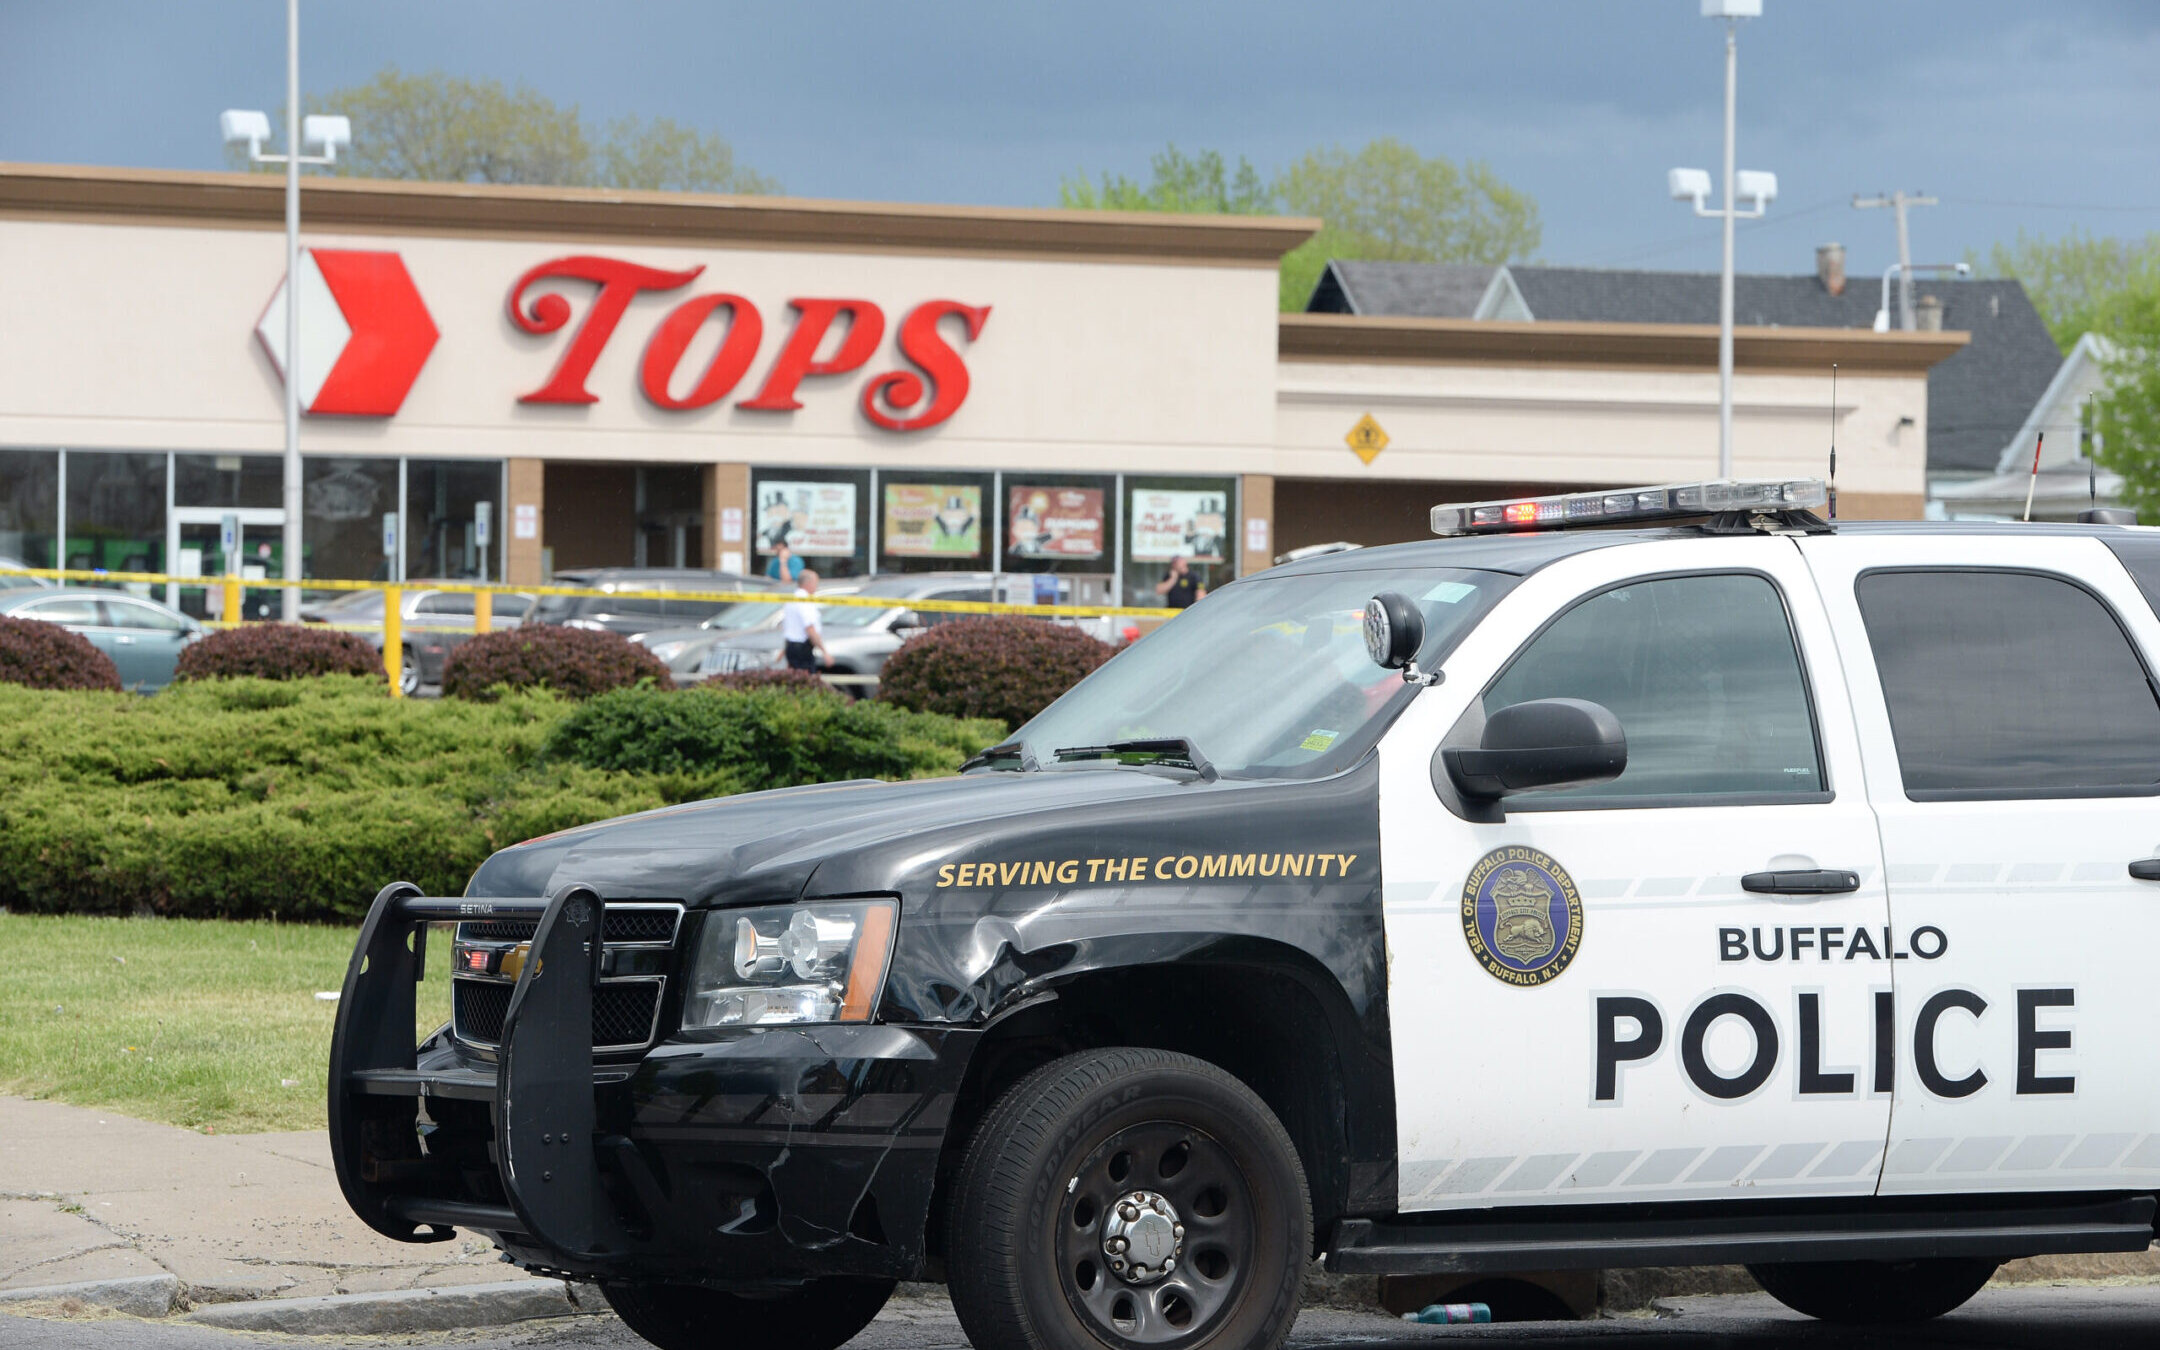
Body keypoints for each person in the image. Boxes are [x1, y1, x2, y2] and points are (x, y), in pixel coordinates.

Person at [781, 569, 830, 670]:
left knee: (795, 680)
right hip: (802, 648)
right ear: (809, 583)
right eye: (816, 583)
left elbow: (788, 627)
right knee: (807, 680)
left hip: (791, 646)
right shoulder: (805, 600)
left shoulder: (792, 599)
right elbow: (810, 628)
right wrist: (824, 652)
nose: (816, 587)